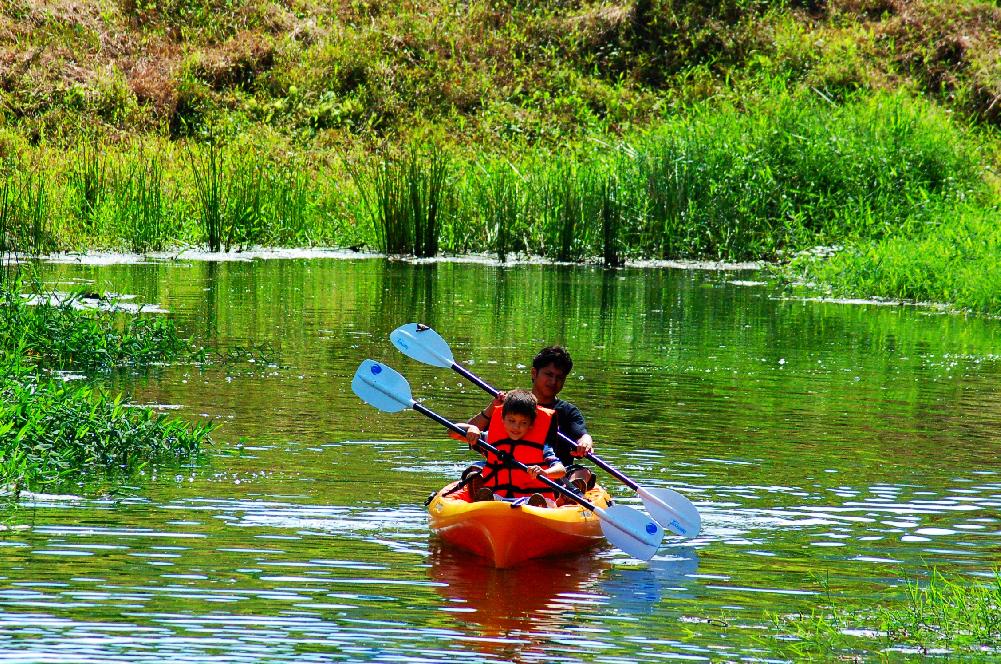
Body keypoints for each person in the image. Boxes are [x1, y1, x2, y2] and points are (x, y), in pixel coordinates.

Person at [463, 345, 595, 497]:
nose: (553, 381)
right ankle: (480, 491)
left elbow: (583, 436)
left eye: (559, 377)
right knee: (475, 468)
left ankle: (569, 496)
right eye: (549, 374)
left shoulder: (568, 411)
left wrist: (585, 443)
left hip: (551, 475)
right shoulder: (513, 404)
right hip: (506, 471)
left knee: (582, 472)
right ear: (534, 373)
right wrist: (491, 408)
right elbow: (468, 431)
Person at [457, 389, 565, 507]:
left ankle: (536, 507)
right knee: (491, 497)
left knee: (534, 501)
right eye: (512, 420)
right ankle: (483, 502)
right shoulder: (490, 439)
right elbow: (452, 431)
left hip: (531, 499)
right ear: (502, 419)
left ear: (531, 425)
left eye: (523, 422)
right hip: (501, 499)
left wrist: (545, 472)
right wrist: (473, 428)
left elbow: (561, 470)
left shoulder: (542, 447)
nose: (516, 427)